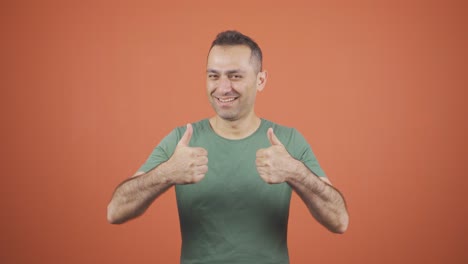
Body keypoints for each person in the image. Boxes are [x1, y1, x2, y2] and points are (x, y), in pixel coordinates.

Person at [107, 30, 349, 264]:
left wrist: (295, 172)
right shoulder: (182, 140)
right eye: (213, 76)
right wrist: (166, 173)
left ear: (261, 80)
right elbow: (115, 211)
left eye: (235, 76)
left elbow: (339, 221)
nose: (222, 88)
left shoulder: (288, 141)